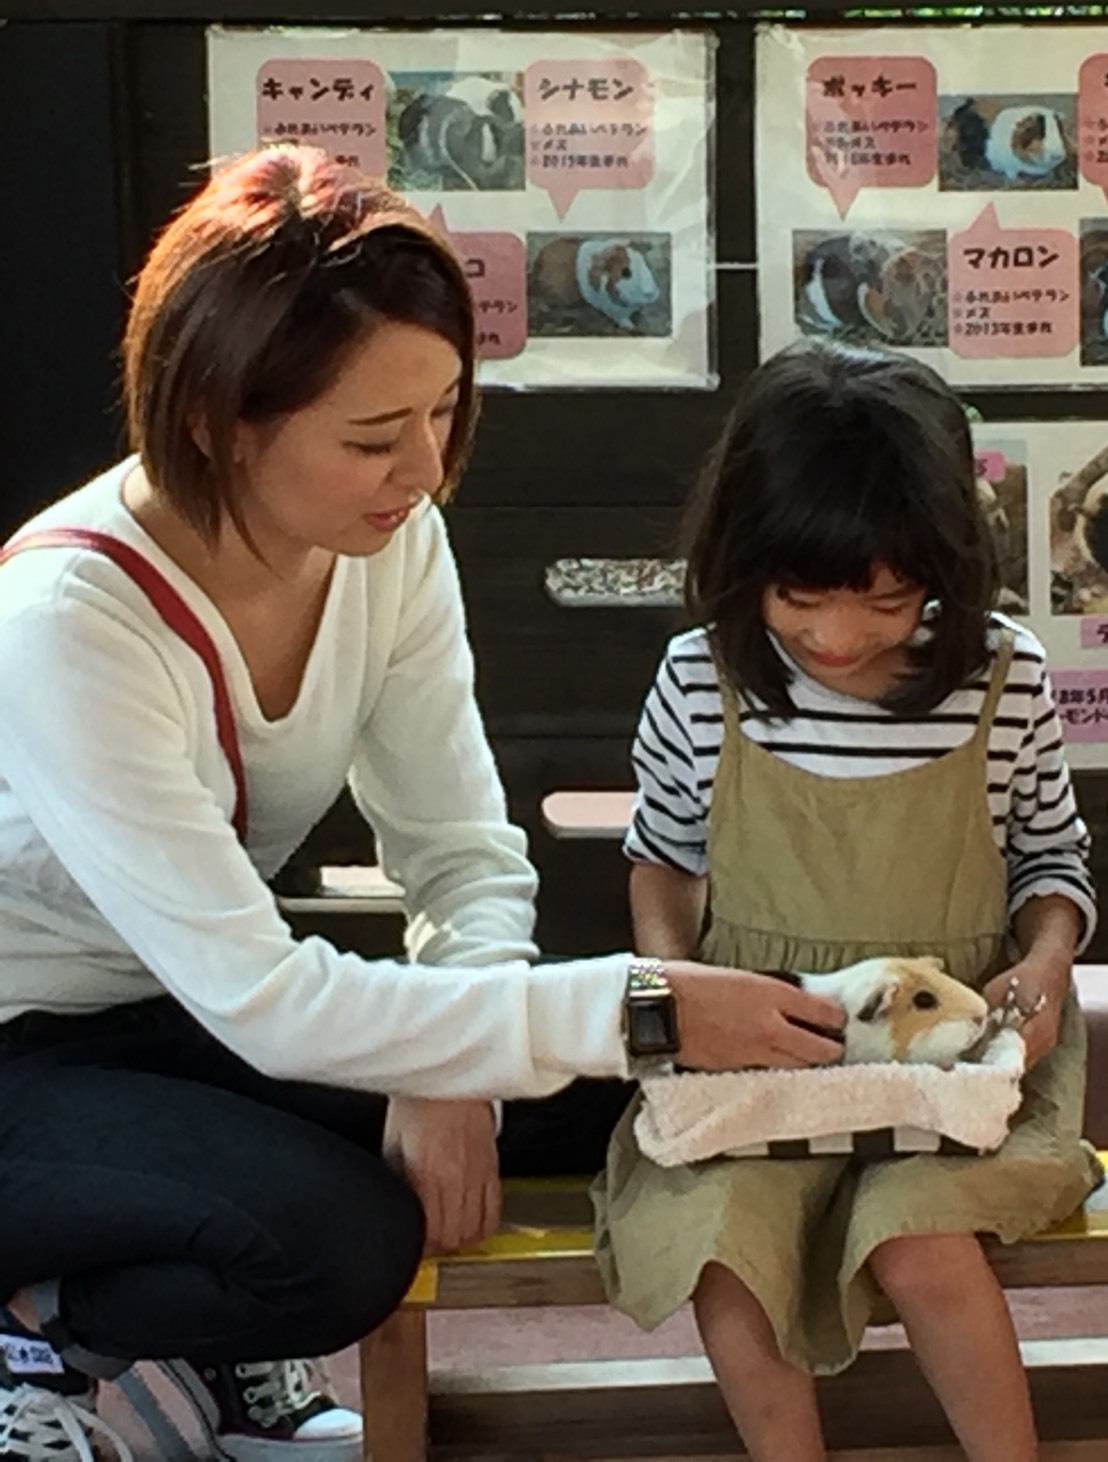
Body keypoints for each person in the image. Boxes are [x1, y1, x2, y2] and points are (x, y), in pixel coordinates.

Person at [0, 146, 849, 1462]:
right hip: (28, 1049)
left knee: (621, 1097)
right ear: (220, 416)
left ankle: (187, 1341)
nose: (426, 467)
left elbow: (459, 848)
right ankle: (54, 1335)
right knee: (343, 1240)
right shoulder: (67, 622)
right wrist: (616, 1003)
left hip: (180, 1016)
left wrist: (458, 1061)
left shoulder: (389, 543)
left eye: (446, 410)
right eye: (372, 436)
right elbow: (268, 1000)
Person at [593, 339, 1104, 1462]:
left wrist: (1046, 962)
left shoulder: (1002, 675)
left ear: (943, 564)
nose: (835, 637)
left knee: (914, 1236)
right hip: (763, 1041)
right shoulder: (698, 678)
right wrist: (674, 990)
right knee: (728, 1245)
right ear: (742, 562)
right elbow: (662, 858)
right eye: (799, 598)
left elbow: (1050, 865)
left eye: (882, 601)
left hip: (956, 1054)